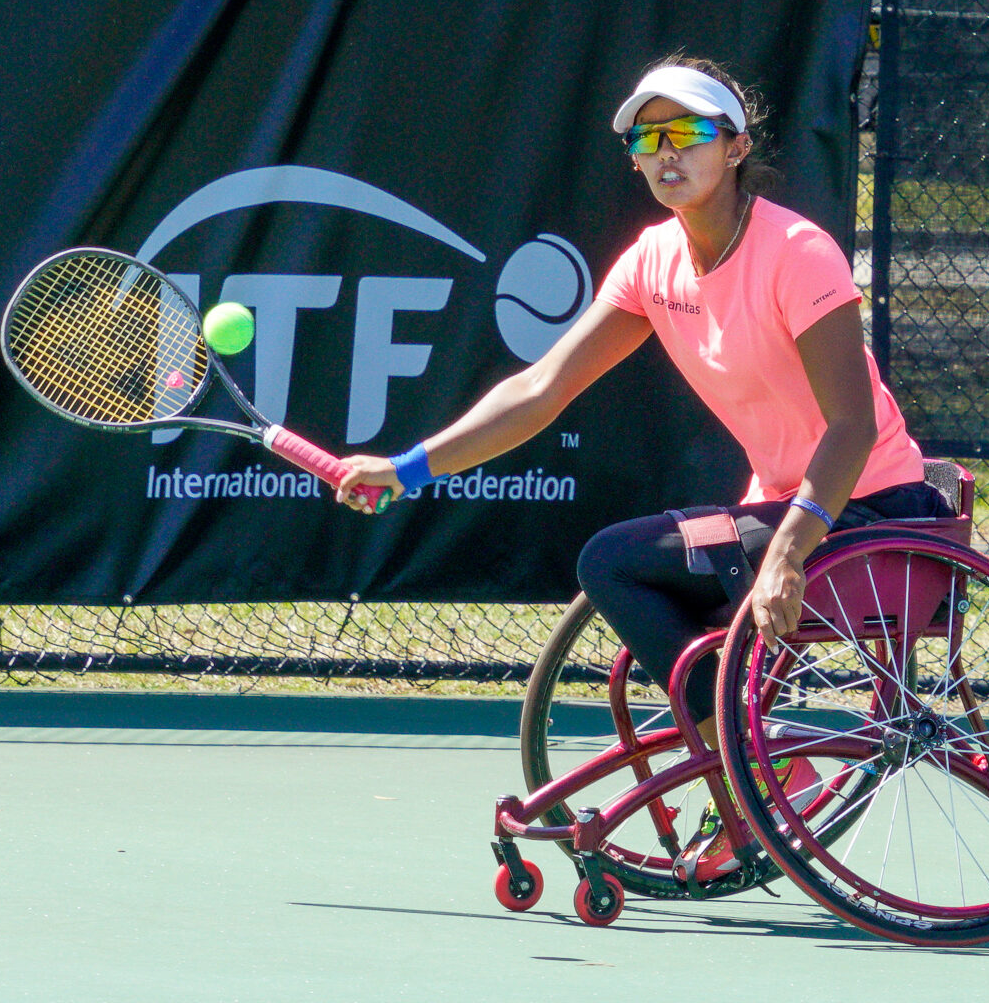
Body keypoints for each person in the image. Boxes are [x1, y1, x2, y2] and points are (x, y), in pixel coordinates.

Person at [334, 57, 950, 881]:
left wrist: (791, 551)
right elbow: (540, 390)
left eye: (688, 133)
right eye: (646, 137)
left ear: (733, 147)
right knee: (642, 575)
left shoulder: (798, 252)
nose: (667, 153)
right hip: (777, 517)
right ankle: (756, 773)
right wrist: (408, 468)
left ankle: (767, 774)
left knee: (614, 559)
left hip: (869, 514)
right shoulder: (653, 260)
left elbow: (851, 425)